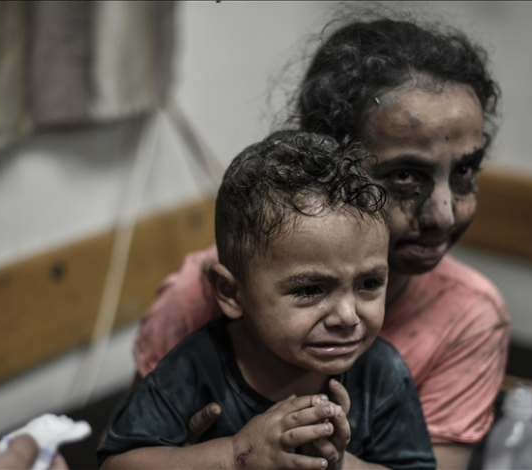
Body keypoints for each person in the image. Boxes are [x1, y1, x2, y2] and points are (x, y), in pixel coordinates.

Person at [133, 12, 509, 470]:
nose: (444, 214)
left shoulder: (468, 319)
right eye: (405, 176)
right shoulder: (197, 296)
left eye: (465, 170)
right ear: (327, 164)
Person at [99, 132, 436, 470]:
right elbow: (115, 464)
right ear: (231, 293)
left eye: (369, 283)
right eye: (310, 290)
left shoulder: (381, 373)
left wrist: (340, 463)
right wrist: (235, 456)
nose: (348, 316)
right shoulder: (196, 367)